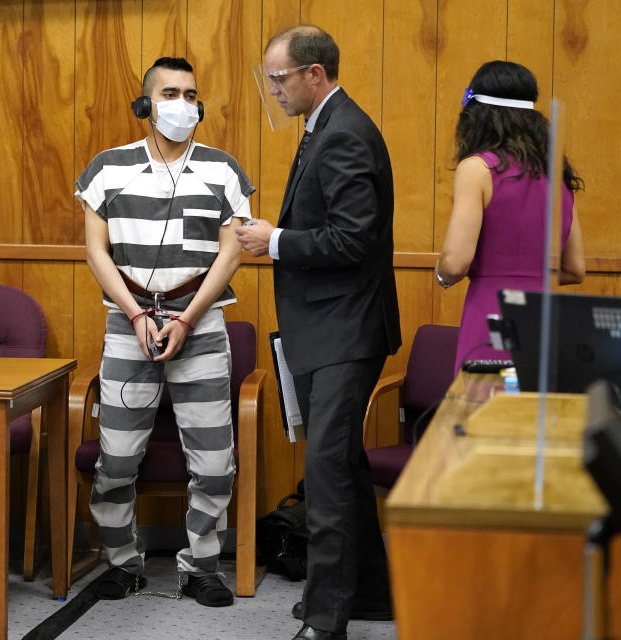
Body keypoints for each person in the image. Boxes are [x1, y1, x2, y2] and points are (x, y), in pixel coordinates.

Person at [237, 25, 400, 640]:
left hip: (344, 329)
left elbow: (353, 240)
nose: (273, 90)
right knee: (346, 468)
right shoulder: (328, 126)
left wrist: (273, 241)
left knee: (328, 474)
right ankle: (372, 593)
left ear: (315, 73)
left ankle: (328, 622)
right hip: (329, 326)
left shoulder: (344, 135)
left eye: (279, 78)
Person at [75, 56, 254, 607]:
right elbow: (95, 251)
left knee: (215, 458)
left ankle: (200, 566)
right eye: (170, 93)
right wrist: (135, 315)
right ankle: (123, 562)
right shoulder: (107, 167)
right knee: (117, 458)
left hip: (199, 325)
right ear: (145, 104)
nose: (183, 103)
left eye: (191, 94)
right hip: (128, 324)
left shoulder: (224, 170)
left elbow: (231, 255)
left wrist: (186, 318)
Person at [437, 60, 585, 374]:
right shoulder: (556, 173)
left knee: (483, 414)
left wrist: (442, 277)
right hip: (545, 319)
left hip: (492, 316)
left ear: (475, 115)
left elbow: (454, 263)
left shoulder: (477, 169)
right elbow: (574, 269)